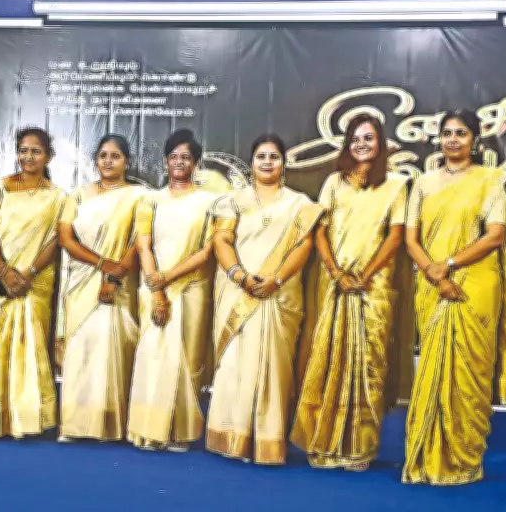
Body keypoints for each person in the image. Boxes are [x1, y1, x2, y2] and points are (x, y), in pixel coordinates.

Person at [402, 109, 506, 485]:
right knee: (434, 367)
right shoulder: (422, 183)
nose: (453, 140)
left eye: (461, 133)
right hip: (432, 285)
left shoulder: (491, 180)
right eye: (447, 133)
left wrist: (448, 265)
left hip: (475, 285)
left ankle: (463, 460)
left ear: (475, 140)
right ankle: (427, 457)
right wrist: (435, 274)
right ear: (439, 139)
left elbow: (494, 235)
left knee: (470, 373)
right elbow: (410, 239)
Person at [291, 114, 413, 471]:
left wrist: (366, 274)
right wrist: (335, 272)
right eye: (355, 138)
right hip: (334, 284)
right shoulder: (334, 182)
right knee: (329, 360)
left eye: (369, 138)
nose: (361, 144)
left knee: (369, 365)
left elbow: (395, 235)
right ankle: (325, 443)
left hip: (373, 288)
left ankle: (360, 447)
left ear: (381, 143)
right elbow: (320, 231)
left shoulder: (396, 185)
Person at [206, 134, 323, 464]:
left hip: (279, 294)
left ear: (283, 163)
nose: (268, 162)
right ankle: (230, 437)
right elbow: (222, 241)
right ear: (252, 162)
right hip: (238, 291)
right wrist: (240, 276)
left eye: (274, 156)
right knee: (235, 364)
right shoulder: (233, 201)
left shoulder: (299, 203)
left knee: (273, 366)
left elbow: (304, 246)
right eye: (261, 156)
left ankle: (267, 441)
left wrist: (277, 279)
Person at [0, 128, 66, 439]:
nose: (28, 157)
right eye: (23, 150)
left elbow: (56, 240)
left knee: (29, 348)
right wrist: (4, 271)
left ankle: (26, 421)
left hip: (34, 282)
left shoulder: (58, 197)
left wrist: (29, 273)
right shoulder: (0, 188)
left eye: (36, 151)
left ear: (49, 156)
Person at [127, 129, 223, 453]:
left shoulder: (209, 202)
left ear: (195, 163)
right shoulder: (150, 200)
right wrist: (157, 290)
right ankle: (150, 430)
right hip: (153, 287)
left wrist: (167, 277)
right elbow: (143, 246)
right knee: (154, 357)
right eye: (173, 157)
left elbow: (207, 251)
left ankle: (181, 431)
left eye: (186, 157)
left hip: (192, 287)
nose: (179, 162)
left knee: (190, 357)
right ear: (165, 161)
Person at [56, 134, 143, 443]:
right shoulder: (77, 195)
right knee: (80, 349)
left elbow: (139, 241)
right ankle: (74, 425)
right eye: (103, 155)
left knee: (110, 349)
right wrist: (103, 264)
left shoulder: (138, 196)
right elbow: (66, 239)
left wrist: (114, 276)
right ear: (95, 160)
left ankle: (108, 425)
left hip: (118, 283)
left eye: (115, 156)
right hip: (82, 281)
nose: (108, 161)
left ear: (126, 161)